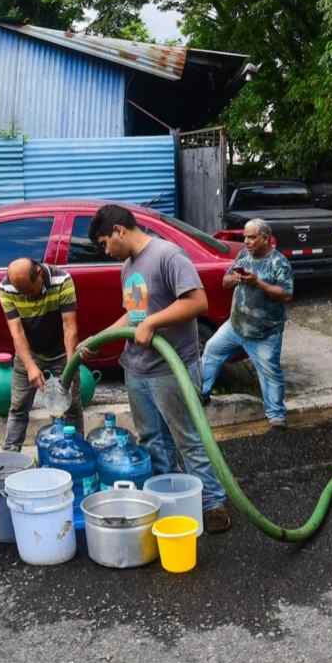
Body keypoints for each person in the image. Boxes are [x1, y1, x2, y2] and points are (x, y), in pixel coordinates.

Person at [87, 204, 231, 533]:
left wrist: (152, 322)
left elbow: (197, 302)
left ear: (119, 231)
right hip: (137, 368)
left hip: (172, 366)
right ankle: (171, 501)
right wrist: (99, 338)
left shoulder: (168, 255)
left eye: (105, 242)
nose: (105, 250)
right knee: (153, 439)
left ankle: (213, 503)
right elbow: (134, 315)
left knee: (188, 439)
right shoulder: (128, 266)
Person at [200, 219, 294, 429]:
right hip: (235, 326)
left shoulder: (278, 262)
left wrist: (257, 283)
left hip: (264, 333)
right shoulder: (243, 255)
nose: (246, 241)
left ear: (265, 238)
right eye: (245, 237)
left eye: (251, 237)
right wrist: (234, 279)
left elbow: (286, 294)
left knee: (269, 373)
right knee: (211, 351)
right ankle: (202, 394)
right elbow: (225, 281)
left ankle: (277, 418)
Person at [0, 257, 83, 450]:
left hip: (62, 352)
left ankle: (76, 451)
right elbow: (16, 331)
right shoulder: (6, 287)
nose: (26, 296)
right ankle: (10, 455)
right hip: (29, 351)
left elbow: (70, 327)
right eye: (21, 292)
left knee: (71, 408)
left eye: (29, 290)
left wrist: (70, 367)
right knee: (18, 407)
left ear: (39, 273)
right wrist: (30, 366)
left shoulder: (62, 280)